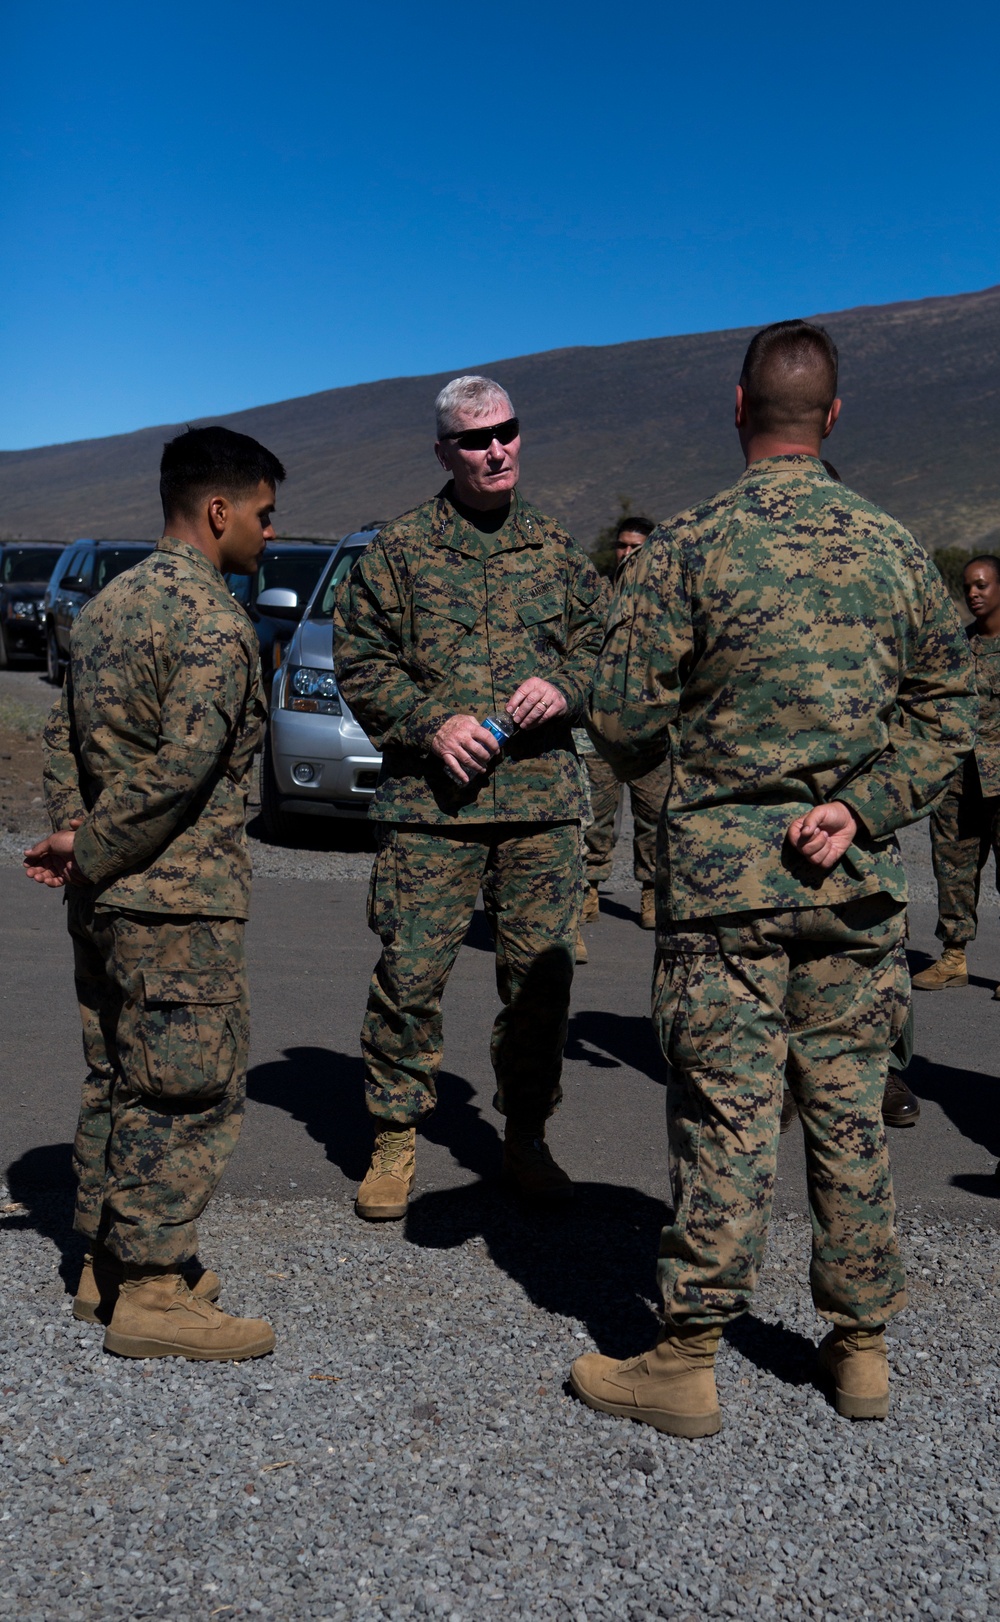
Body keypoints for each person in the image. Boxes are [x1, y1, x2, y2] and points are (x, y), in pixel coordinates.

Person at [571, 319, 976, 1436]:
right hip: (852, 886)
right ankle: (860, 1352)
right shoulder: (894, 549)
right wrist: (865, 805)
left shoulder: (688, 546)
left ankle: (688, 1357)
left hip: (721, 891)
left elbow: (613, 711)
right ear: (831, 418)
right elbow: (951, 707)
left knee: (726, 1114)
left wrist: (686, 785)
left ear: (736, 407)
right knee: (848, 1113)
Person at [23, 425, 282, 1363]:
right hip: (177, 903)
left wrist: (76, 840)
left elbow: (60, 739)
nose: (266, 534)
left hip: (105, 899)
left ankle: (104, 1262)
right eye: (262, 515)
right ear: (218, 512)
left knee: (119, 1077)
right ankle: (153, 1290)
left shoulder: (106, 608)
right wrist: (90, 845)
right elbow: (183, 771)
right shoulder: (211, 622)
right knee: (187, 1088)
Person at [333, 375, 605, 1220]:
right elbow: (361, 660)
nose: (496, 449)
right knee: (410, 975)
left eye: (507, 432)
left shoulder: (558, 549)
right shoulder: (401, 551)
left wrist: (565, 685)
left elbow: (608, 644)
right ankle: (393, 1137)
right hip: (433, 808)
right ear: (444, 450)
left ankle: (524, 1134)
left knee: (539, 988)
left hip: (540, 807)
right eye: (476, 439)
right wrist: (430, 722)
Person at [911, 555, 1000, 995]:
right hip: (959, 782)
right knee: (952, 869)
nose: (973, 594)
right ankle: (953, 958)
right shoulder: (958, 649)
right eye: (967, 587)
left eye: (982, 585)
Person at [578, 516, 671, 936]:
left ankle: (651, 891)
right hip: (599, 725)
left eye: (637, 546)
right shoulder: (596, 594)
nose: (628, 553)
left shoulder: (668, 598)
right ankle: (588, 888)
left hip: (650, 729)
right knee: (594, 817)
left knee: (654, 818)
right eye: (622, 546)